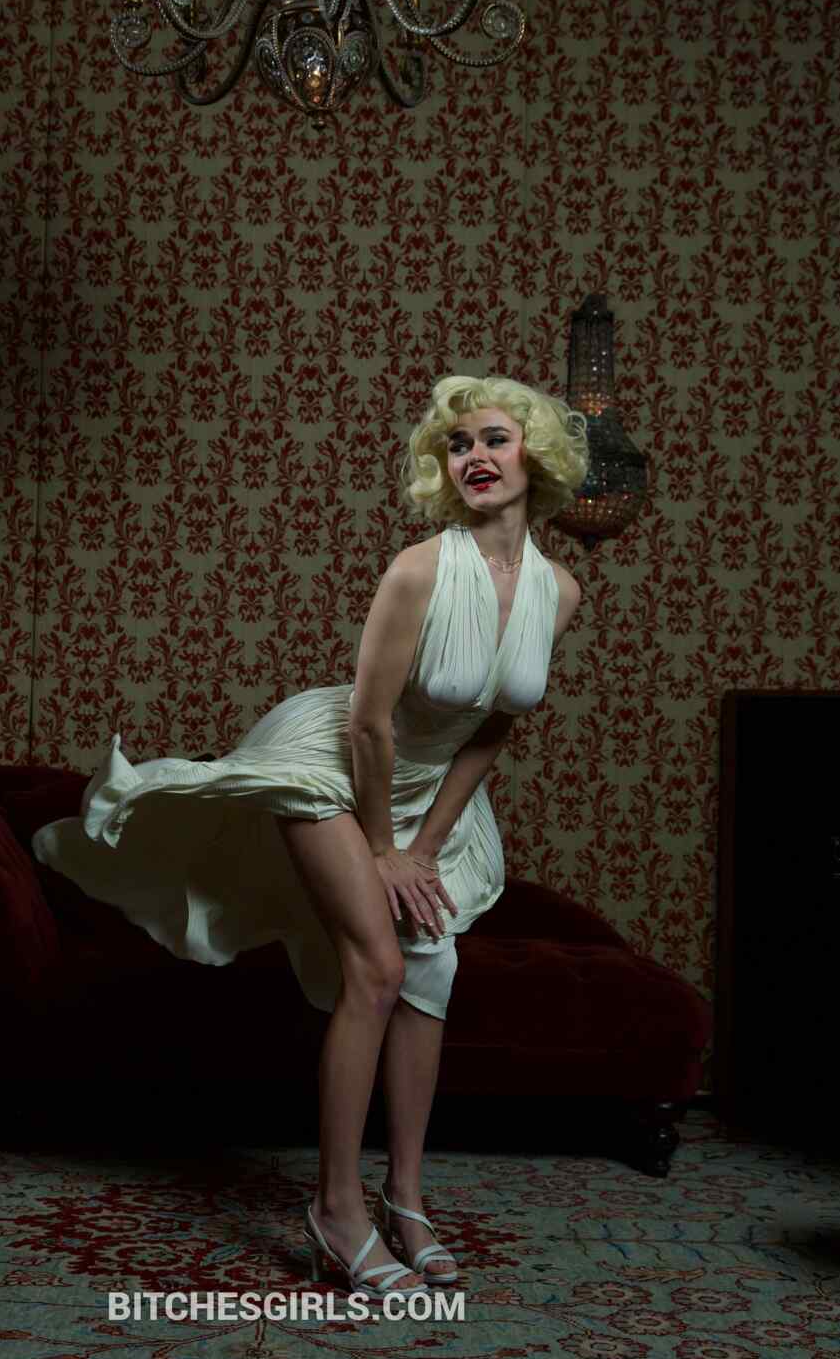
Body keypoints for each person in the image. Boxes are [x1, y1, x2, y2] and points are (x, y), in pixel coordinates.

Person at [32, 373, 588, 1305]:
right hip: (332, 763)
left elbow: (492, 727)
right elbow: (368, 724)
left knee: (433, 967)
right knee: (376, 965)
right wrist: (382, 847)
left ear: (539, 454)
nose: (476, 457)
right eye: (458, 445)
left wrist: (424, 845)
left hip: (426, 794)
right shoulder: (419, 571)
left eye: (495, 438)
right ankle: (336, 1209)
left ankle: (406, 1200)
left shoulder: (559, 592)